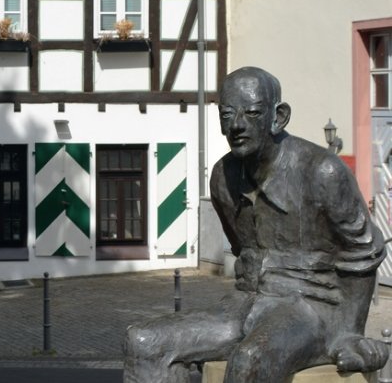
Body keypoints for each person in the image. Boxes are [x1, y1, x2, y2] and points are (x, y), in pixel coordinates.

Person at [123, 67, 387, 382]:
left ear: (278, 117)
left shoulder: (322, 172)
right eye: (227, 114)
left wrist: (348, 334)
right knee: (143, 342)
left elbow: (362, 253)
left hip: (312, 310)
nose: (236, 125)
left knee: (249, 360)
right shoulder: (222, 177)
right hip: (243, 303)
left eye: (251, 113)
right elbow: (242, 248)